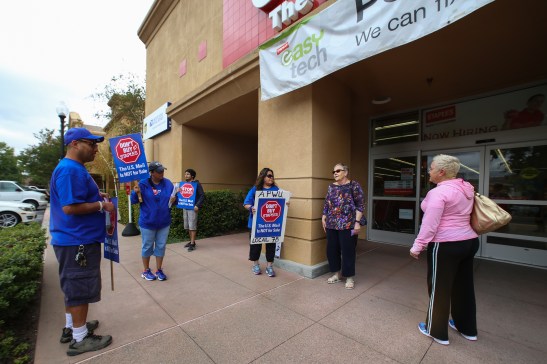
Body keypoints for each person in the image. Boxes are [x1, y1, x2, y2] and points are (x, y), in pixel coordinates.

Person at [49, 127, 114, 356]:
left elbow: (75, 199)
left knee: (73, 287)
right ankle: (80, 338)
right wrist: (101, 205)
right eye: (92, 144)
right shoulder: (71, 170)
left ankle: (71, 327)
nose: (96, 149)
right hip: (78, 241)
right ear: (75, 144)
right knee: (80, 287)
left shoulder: (72, 169)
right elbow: (70, 207)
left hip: (73, 240)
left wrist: (98, 197)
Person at [410, 154, 480, 345]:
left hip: (445, 244)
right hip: (469, 242)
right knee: (463, 286)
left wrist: (418, 246)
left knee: (439, 288)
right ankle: (466, 328)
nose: (428, 171)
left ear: (441, 172)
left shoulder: (438, 193)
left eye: (431, 168)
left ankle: (436, 331)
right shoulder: (467, 188)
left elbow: (430, 224)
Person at [322, 163, 365, 290]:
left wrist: (357, 223)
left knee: (348, 251)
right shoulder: (331, 187)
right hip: (332, 223)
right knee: (332, 250)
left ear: (345, 172)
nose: (335, 173)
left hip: (348, 224)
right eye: (333, 171)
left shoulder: (354, 185)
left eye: (338, 171)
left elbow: (360, 205)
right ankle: (336, 274)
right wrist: (324, 216)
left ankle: (349, 277)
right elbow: (327, 202)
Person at [131, 161, 176, 281]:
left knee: (161, 246)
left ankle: (159, 269)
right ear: (151, 173)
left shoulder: (167, 183)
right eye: (159, 171)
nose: (162, 173)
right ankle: (146, 270)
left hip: (164, 221)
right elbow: (134, 200)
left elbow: (174, 201)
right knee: (147, 247)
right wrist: (135, 193)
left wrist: (175, 199)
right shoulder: (143, 183)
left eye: (163, 170)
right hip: (148, 222)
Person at [243, 168, 279, 277]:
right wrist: (251, 208)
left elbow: (281, 203)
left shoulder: (276, 190)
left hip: (271, 224)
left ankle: (269, 266)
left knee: (271, 245)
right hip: (256, 223)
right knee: (255, 245)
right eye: (269, 176)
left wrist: (286, 204)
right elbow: (246, 203)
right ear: (263, 177)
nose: (271, 178)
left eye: (272, 176)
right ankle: (255, 264)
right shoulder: (255, 189)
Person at [182, 168, 205, 252]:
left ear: (192, 176)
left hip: (193, 208)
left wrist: (197, 205)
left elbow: (202, 195)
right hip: (185, 207)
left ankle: (192, 243)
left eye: (187, 174)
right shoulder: (184, 184)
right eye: (185, 174)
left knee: (192, 226)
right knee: (188, 226)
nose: (186, 175)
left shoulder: (197, 184)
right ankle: (192, 241)